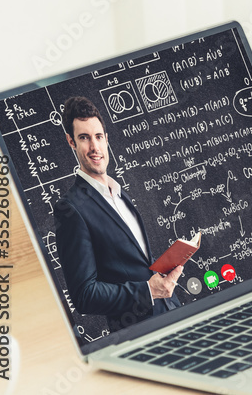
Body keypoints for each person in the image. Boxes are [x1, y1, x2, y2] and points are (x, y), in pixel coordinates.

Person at [54, 96, 182, 332]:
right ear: (71, 142)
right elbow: (84, 295)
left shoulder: (120, 193)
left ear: (106, 138)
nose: (94, 147)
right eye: (84, 138)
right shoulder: (71, 209)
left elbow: (133, 265)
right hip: (138, 332)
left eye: (99, 136)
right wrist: (148, 290)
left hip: (173, 312)